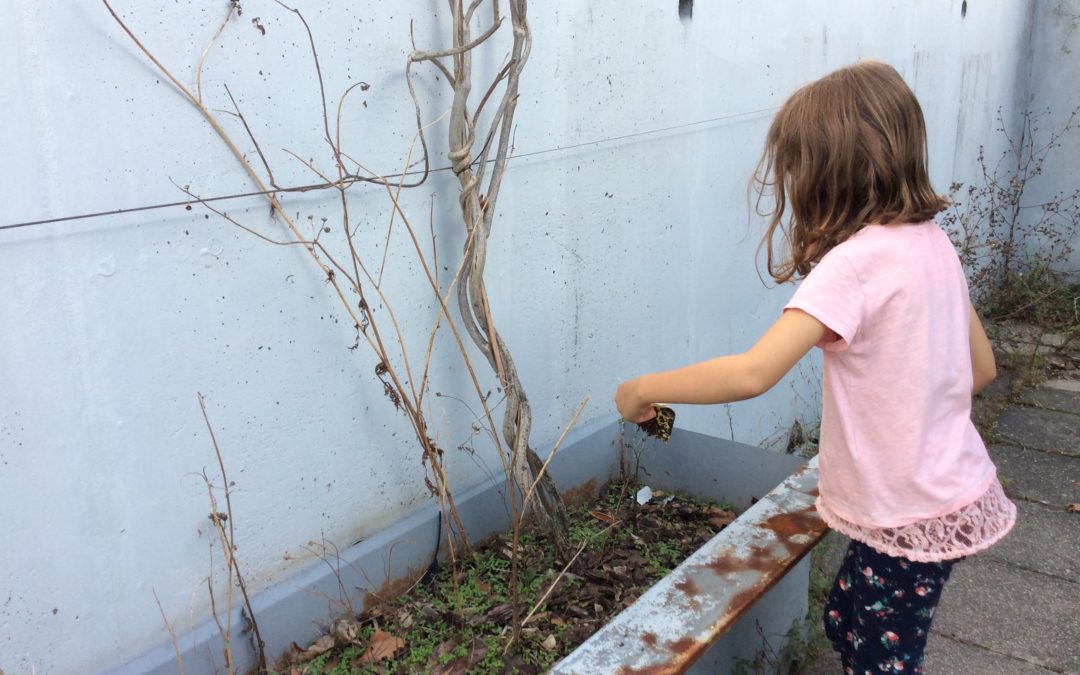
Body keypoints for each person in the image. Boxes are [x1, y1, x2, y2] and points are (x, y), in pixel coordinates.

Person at [615, 61, 1016, 674]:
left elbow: (751, 374)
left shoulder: (853, 267)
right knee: (845, 620)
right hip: (946, 489)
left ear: (828, 172)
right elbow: (981, 368)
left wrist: (642, 389)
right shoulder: (932, 243)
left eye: (798, 167)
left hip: (907, 509)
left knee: (880, 660)